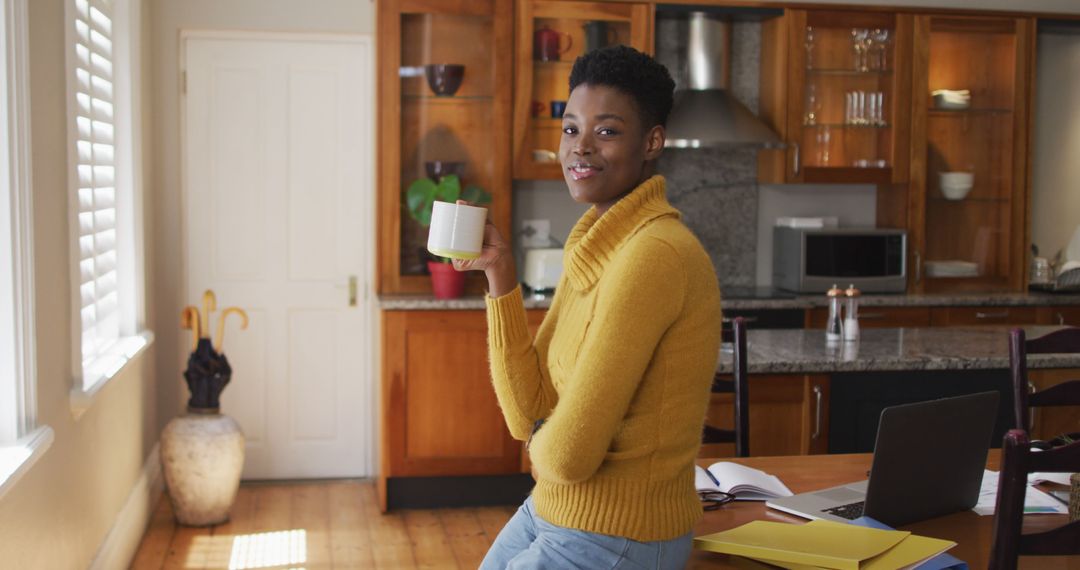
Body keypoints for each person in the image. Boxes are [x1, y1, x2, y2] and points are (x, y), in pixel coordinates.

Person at [454, 45, 721, 569]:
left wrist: (543, 436)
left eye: (607, 131)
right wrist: (499, 275)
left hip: (619, 530)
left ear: (652, 142)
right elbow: (525, 413)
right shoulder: (595, 243)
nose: (580, 149)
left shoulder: (654, 254)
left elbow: (570, 454)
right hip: (554, 509)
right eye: (571, 129)